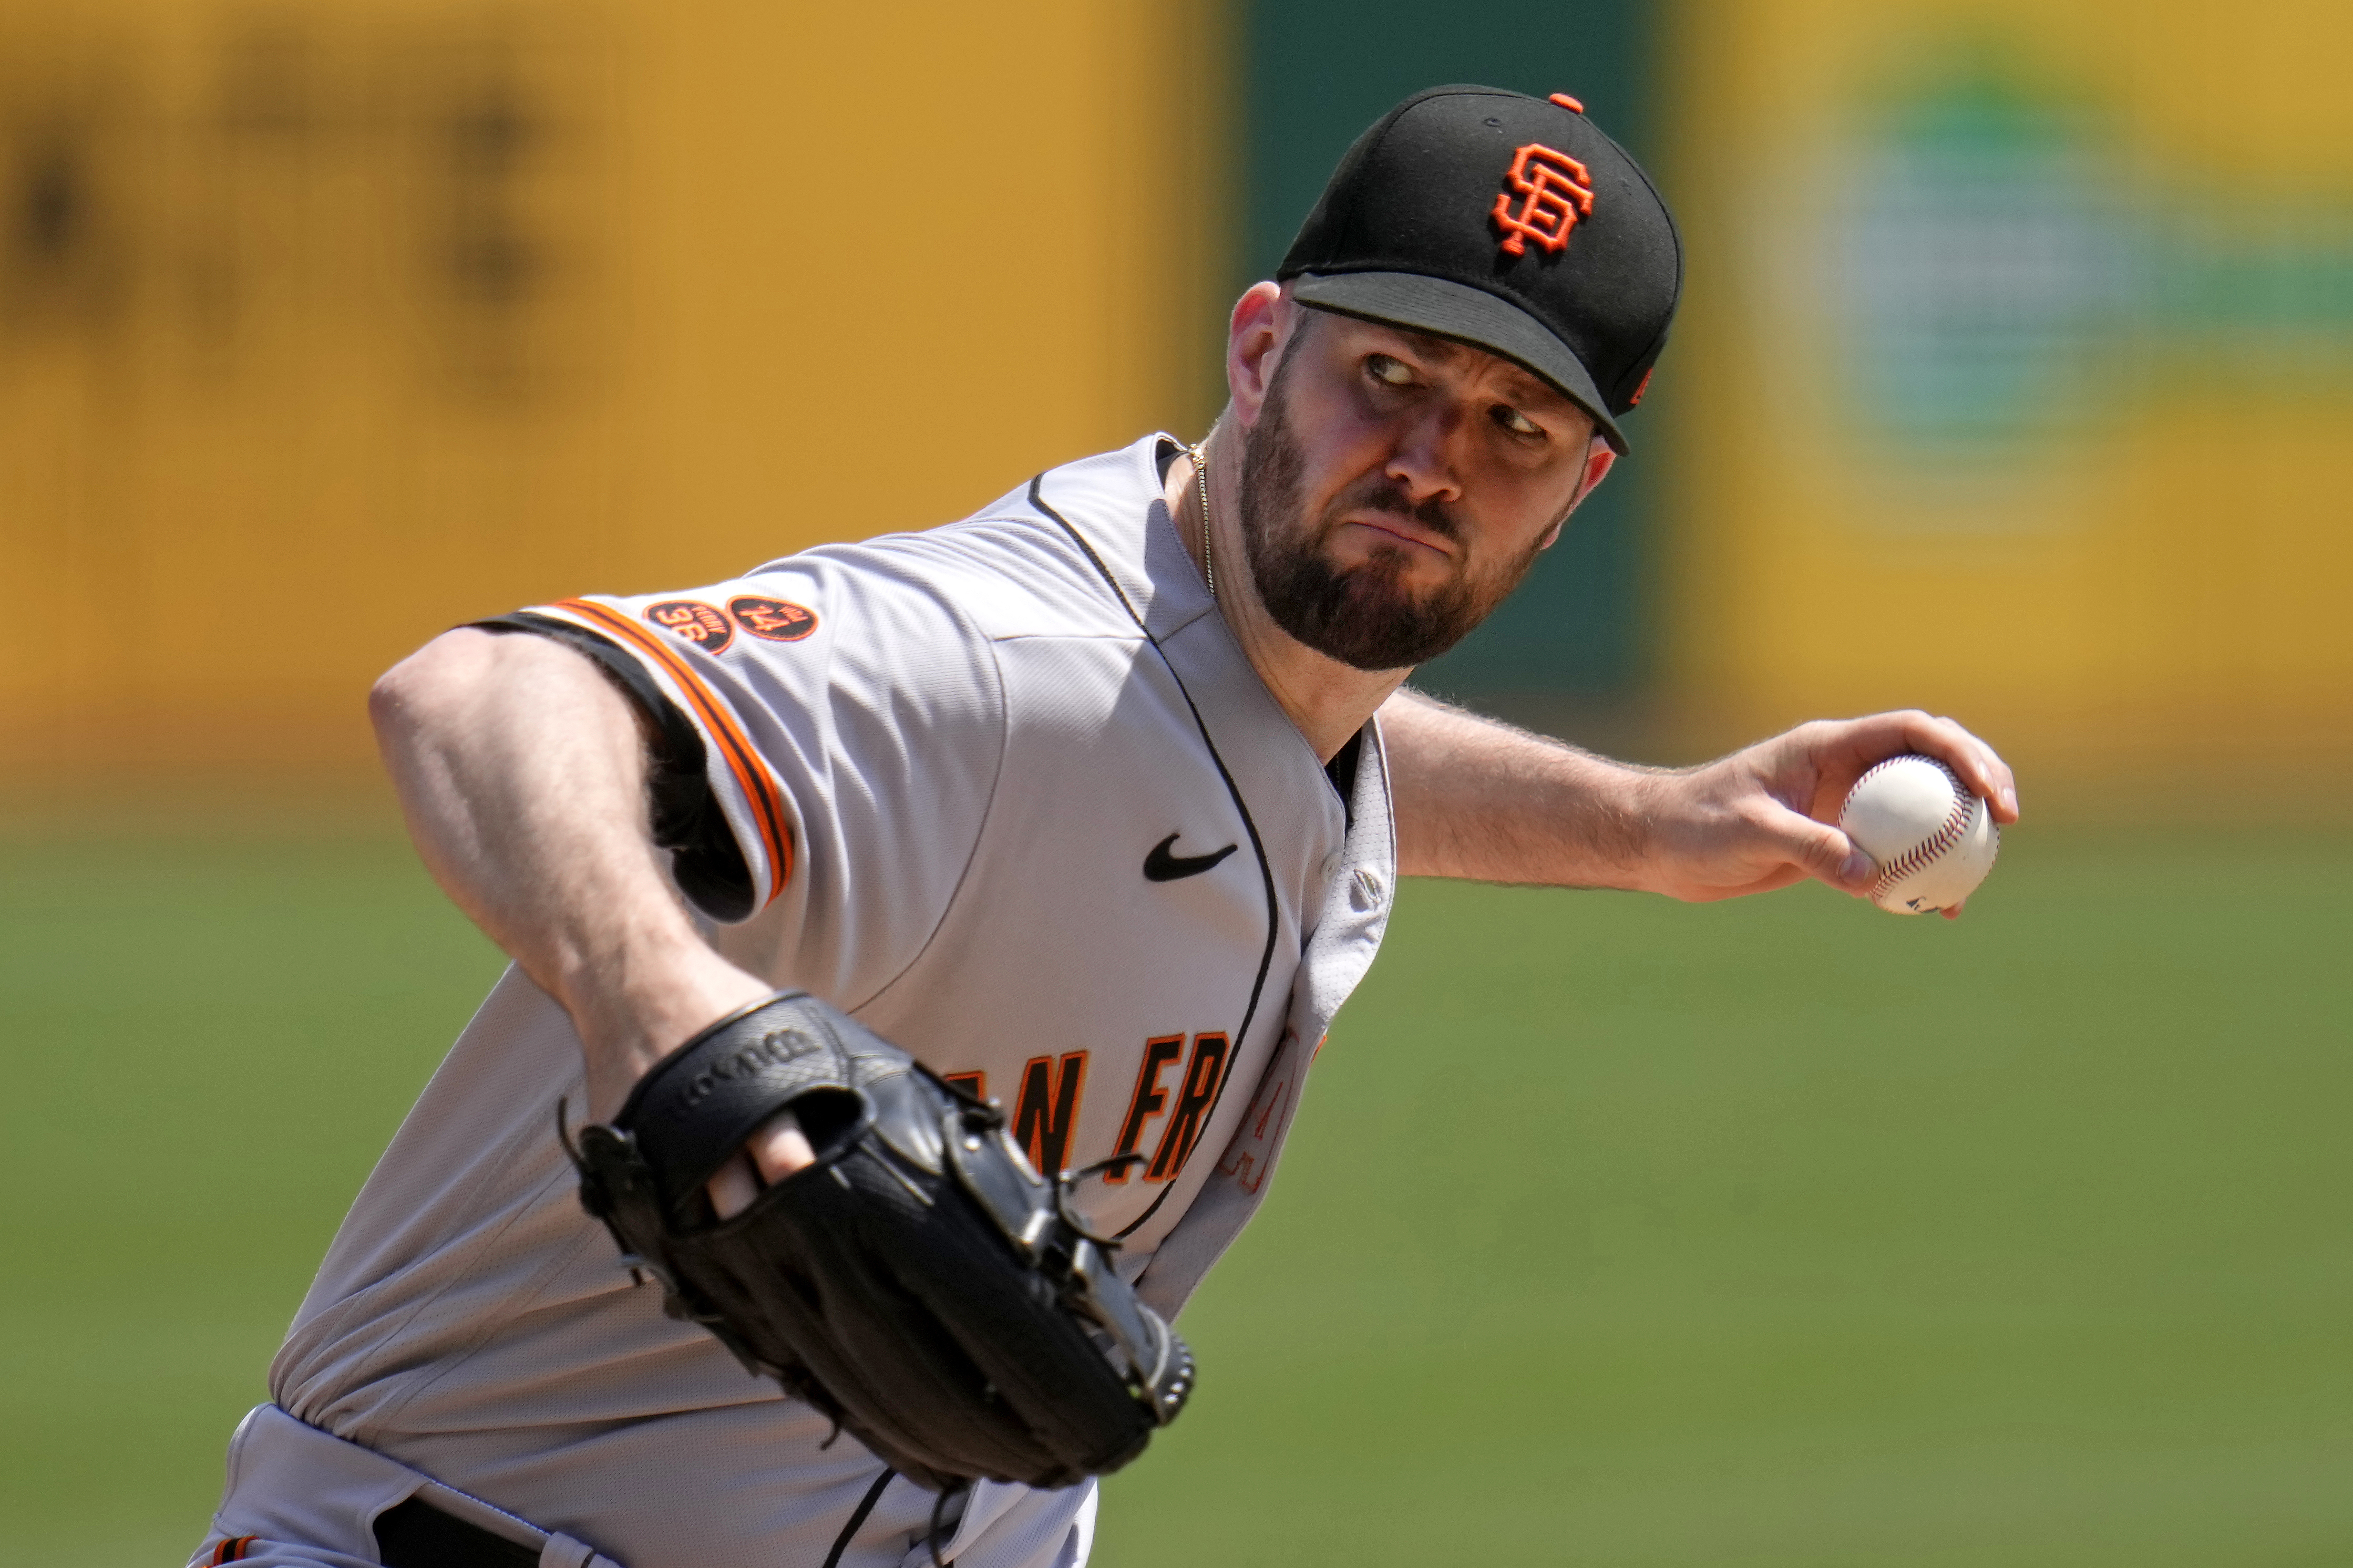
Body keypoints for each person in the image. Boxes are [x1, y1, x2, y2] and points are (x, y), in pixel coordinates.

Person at [191, 85, 2017, 1568]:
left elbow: (1269, 751)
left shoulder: (1268, 692)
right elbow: (479, 694)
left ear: (1581, 490)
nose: (1430, 461)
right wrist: (661, 1002)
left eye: (1512, 424)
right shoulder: (990, 666)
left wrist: (1642, 822)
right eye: (1385, 375)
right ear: (1257, 347)